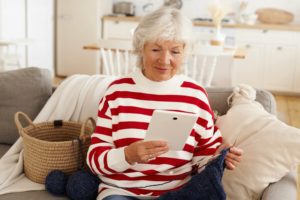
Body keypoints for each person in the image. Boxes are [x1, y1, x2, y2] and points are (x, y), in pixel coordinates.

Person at [86, 7, 243, 200]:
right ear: (141, 48)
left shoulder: (195, 95)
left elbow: (203, 155)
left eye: (175, 51)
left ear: (184, 53)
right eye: (155, 49)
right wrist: (127, 155)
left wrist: (220, 157)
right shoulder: (117, 92)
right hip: (122, 192)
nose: (165, 60)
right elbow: (94, 160)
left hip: (178, 193)